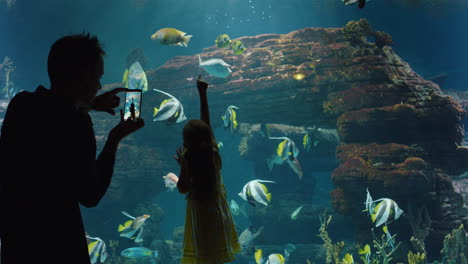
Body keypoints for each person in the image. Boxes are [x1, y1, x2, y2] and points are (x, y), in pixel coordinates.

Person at [0, 33, 144, 264]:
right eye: (97, 77)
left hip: (18, 243)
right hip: (60, 245)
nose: (98, 85)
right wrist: (114, 139)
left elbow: (52, 111)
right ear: (82, 75)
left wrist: (89, 104)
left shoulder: (21, 106)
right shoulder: (78, 125)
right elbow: (90, 195)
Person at [174, 76, 241, 264]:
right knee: (216, 254)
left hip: (201, 214)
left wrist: (182, 167)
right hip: (218, 211)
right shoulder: (213, 154)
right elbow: (207, 127)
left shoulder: (189, 160)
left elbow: (182, 188)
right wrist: (203, 94)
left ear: (186, 142)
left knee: (204, 255)